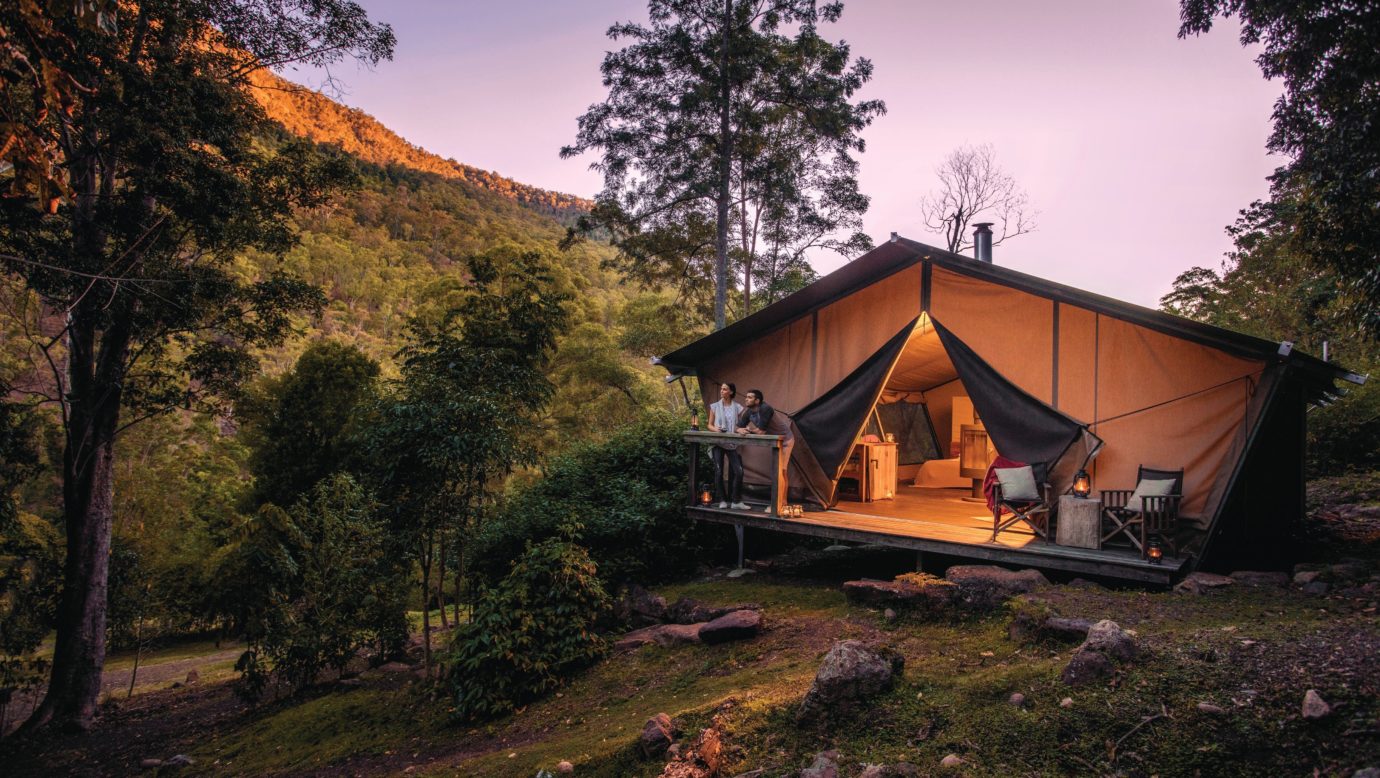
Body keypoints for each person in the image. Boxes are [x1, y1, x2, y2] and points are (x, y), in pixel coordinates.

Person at [739, 389, 792, 514]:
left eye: (750, 397)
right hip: (775, 441)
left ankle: (778, 504)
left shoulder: (765, 408)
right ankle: (783, 502)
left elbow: (761, 432)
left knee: (780, 471)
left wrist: (749, 430)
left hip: (785, 440)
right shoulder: (749, 411)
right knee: (781, 472)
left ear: (757, 401)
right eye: (746, 396)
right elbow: (739, 426)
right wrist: (739, 430)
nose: (746, 399)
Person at [708, 382, 747, 510]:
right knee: (719, 472)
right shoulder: (715, 406)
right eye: (721, 389)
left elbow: (741, 424)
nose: (722, 391)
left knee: (739, 472)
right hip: (718, 442)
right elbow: (709, 425)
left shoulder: (738, 407)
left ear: (731, 392)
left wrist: (742, 429)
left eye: (724, 389)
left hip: (731, 443)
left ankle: (736, 501)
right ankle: (722, 500)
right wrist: (716, 430)